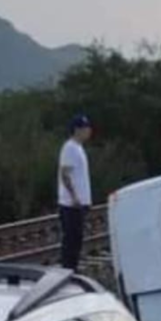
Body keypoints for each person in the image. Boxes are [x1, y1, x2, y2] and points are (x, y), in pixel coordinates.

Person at [58, 115, 93, 271]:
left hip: (79, 203)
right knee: (71, 239)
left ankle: (72, 267)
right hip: (71, 204)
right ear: (77, 130)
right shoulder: (70, 148)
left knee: (77, 239)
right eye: (85, 128)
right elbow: (65, 175)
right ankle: (68, 269)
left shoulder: (78, 148)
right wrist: (74, 197)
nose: (89, 131)